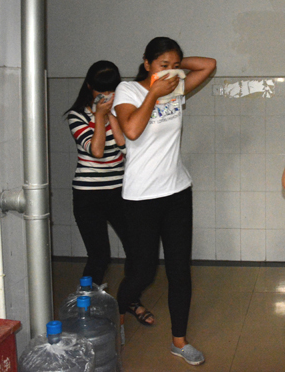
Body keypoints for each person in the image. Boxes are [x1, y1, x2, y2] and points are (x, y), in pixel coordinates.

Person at [113, 37, 216, 366]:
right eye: (162, 65)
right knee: (143, 272)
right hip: (141, 196)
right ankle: (120, 309)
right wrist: (153, 93)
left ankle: (179, 341)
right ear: (146, 63)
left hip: (177, 191)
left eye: (174, 65)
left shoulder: (175, 86)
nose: (169, 71)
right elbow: (131, 130)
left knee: (179, 271)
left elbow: (209, 65)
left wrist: (174, 69)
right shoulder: (128, 91)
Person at [65, 60, 129, 286]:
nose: (106, 96)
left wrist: (111, 115)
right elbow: (97, 151)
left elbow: (126, 148)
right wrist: (99, 117)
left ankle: (129, 299)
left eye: (112, 90)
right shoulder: (77, 116)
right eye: (101, 90)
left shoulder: (121, 112)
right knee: (99, 256)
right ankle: (88, 303)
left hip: (120, 191)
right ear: (89, 87)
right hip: (88, 195)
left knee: (137, 248)